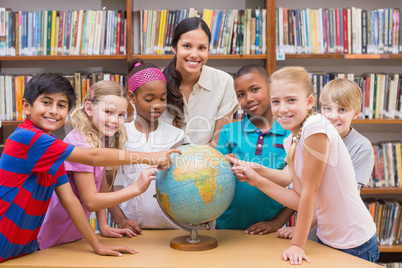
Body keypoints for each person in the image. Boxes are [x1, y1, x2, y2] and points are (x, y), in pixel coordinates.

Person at [0, 73, 180, 262]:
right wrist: (148, 160)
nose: (53, 111)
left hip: (23, 246)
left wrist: (97, 244)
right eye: (46, 102)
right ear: (27, 106)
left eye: (61, 105)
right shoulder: (27, 138)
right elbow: (93, 159)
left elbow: (70, 200)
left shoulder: (53, 148)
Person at [226, 66, 378, 264]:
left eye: (291, 100)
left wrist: (297, 244)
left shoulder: (316, 128)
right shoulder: (292, 139)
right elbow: (293, 190)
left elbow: (309, 193)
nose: (282, 109)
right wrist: (253, 171)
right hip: (327, 237)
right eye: (275, 102)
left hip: (354, 242)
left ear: (309, 102)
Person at [37, 80, 159, 249]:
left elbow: (100, 181)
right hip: (52, 236)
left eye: (121, 115)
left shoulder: (100, 138)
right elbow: (91, 201)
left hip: (74, 234)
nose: (115, 120)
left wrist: (103, 225)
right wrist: (136, 188)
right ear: (89, 108)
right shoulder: (80, 142)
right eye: (108, 112)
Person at [277, 78, 375, 240]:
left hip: (344, 236)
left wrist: (303, 228)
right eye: (327, 108)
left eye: (342, 110)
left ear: (356, 112)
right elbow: (295, 183)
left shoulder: (361, 147)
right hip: (317, 233)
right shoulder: (309, 135)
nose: (333, 116)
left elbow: (338, 201)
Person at [215, 65, 294, 235]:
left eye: (255, 89)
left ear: (271, 88)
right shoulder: (228, 133)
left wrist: (277, 222)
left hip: (270, 231)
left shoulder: (290, 133)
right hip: (226, 229)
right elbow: (216, 180)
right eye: (241, 95)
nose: (248, 98)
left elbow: (300, 189)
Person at [109, 58, 184, 233]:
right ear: (132, 97)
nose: (157, 105)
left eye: (162, 98)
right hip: (134, 230)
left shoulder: (177, 135)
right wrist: (120, 220)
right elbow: (106, 184)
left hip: (174, 230)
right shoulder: (120, 135)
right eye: (149, 99)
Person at [161, 17, 238, 147]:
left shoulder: (224, 83)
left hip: (206, 163)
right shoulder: (154, 82)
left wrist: (189, 157)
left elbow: (218, 142)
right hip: (162, 163)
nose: (194, 54)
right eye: (187, 46)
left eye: (201, 48)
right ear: (174, 47)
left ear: (208, 51)